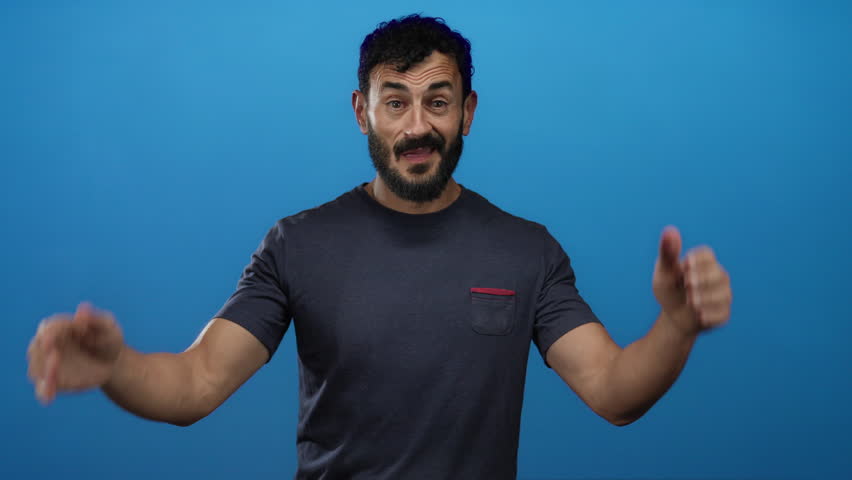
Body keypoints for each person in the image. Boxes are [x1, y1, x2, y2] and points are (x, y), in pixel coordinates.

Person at [26, 14, 732, 479]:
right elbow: (194, 384)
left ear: (469, 113)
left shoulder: (528, 252)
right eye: (395, 101)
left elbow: (614, 391)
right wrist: (116, 366)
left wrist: (675, 327)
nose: (417, 126)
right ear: (363, 111)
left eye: (438, 100)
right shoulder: (298, 245)